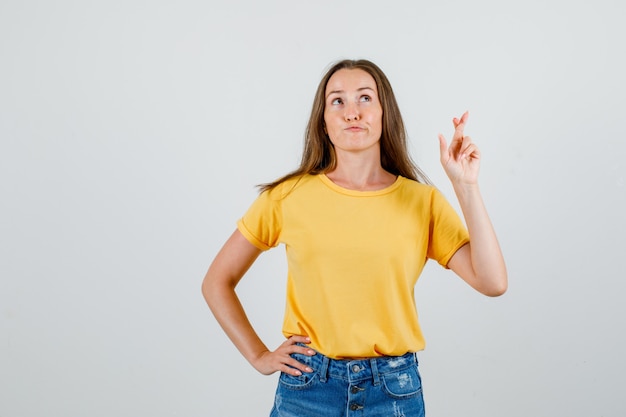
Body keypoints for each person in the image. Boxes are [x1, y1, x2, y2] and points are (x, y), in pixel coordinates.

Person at [202, 59, 507, 417]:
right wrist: (259, 356)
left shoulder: (421, 202)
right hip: (307, 390)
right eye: (338, 101)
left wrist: (465, 186)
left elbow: (492, 282)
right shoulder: (287, 196)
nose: (352, 113)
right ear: (324, 122)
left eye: (365, 98)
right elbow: (216, 282)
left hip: (393, 392)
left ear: (384, 113)